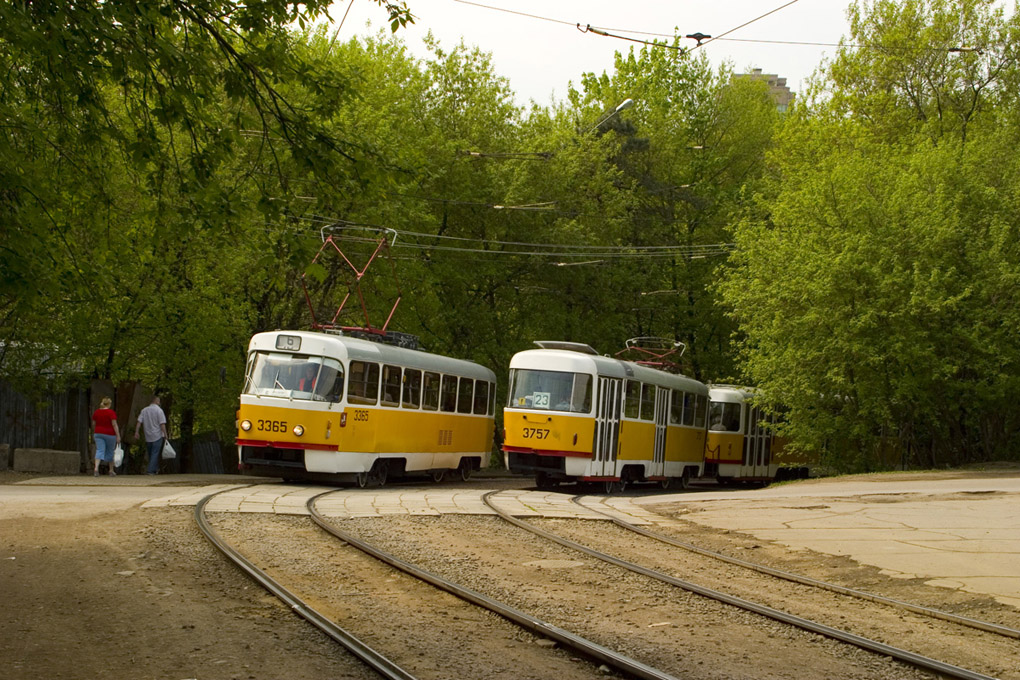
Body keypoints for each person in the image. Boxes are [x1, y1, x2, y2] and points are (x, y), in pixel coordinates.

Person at [134, 395, 168, 475]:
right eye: (159, 401)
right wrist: (165, 434)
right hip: (157, 435)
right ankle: (150, 470)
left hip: (148, 435)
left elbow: (139, 422)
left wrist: (137, 431)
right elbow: (162, 424)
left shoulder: (144, 410)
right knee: (155, 453)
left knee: (150, 453)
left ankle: (155, 469)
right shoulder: (159, 411)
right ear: (157, 401)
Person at [92, 397, 121, 477]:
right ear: (109, 404)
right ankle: (111, 470)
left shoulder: (96, 412)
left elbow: (94, 423)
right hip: (110, 434)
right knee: (110, 451)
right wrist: (118, 435)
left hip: (98, 433)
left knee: (99, 450)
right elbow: (114, 424)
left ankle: (96, 468)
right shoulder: (111, 413)